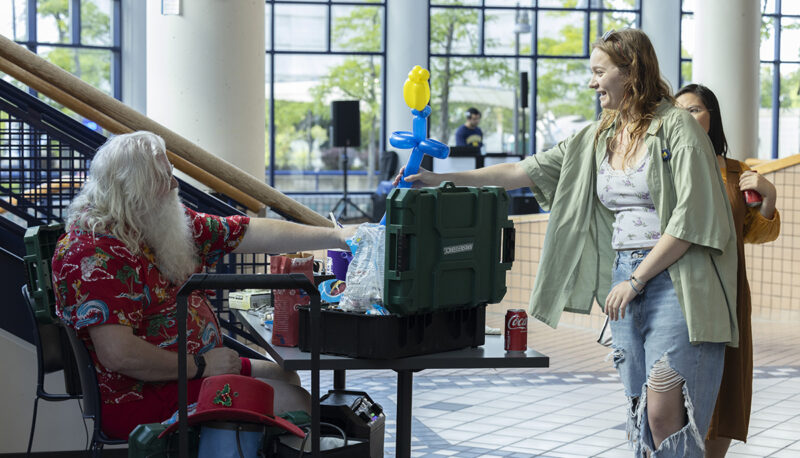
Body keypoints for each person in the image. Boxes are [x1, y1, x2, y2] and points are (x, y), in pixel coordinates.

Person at [396, 29, 738, 457]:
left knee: (664, 411)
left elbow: (691, 220)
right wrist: (440, 179)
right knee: (640, 410)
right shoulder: (601, 133)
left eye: (599, 72)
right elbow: (525, 169)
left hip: (676, 281)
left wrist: (635, 280)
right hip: (626, 278)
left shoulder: (678, 129)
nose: (591, 82)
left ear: (631, 72)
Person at [51, 131, 357, 439]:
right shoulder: (95, 252)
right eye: (163, 178)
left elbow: (247, 232)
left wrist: (335, 237)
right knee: (296, 401)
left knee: (287, 377)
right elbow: (118, 355)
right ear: (134, 190)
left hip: (187, 374)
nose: (174, 184)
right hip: (142, 397)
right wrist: (200, 365)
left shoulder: (146, 224)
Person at [676, 84, 780, 458]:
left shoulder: (736, 173)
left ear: (711, 118)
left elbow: (754, 232)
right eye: (680, 110)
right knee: (673, 385)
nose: (687, 117)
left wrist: (768, 196)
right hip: (677, 291)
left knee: (725, 386)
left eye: (696, 110)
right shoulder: (663, 166)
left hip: (727, 291)